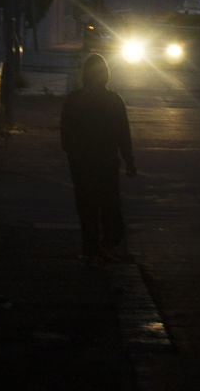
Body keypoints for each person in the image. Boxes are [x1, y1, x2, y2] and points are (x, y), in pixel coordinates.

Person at [60, 52, 137, 265]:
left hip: (81, 163)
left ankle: (90, 249)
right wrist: (129, 161)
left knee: (86, 207)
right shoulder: (113, 101)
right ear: (105, 75)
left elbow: (65, 133)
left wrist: (72, 153)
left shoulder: (74, 99)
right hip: (106, 162)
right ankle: (108, 244)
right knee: (109, 205)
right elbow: (123, 134)